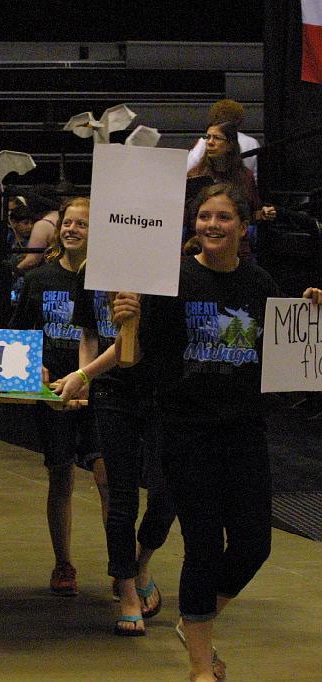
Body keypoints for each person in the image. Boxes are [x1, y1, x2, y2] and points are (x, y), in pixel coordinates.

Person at [112, 183, 322, 681]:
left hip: (244, 429)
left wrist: (311, 311)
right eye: (204, 216)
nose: (212, 225)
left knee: (254, 544)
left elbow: (286, 351)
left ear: (243, 226)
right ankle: (201, 667)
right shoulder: (172, 283)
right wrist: (129, 322)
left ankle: (195, 619)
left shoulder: (260, 284)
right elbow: (141, 359)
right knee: (203, 544)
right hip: (184, 431)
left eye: (223, 217)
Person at [56, 272, 175, 636]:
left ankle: (141, 563)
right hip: (114, 396)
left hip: (163, 391)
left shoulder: (165, 271)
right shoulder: (88, 273)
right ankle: (126, 592)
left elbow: (134, 349)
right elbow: (91, 334)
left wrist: (83, 374)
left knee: (167, 492)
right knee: (120, 497)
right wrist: (86, 380)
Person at [10, 197, 109, 596]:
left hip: (98, 392)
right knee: (61, 478)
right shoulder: (40, 280)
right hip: (53, 396)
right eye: (67, 223)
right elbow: (19, 335)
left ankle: (120, 565)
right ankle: (63, 562)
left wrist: (90, 377)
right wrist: (35, 365)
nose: (71, 230)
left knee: (107, 477)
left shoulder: (107, 281)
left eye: (82, 225)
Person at [186, 99, 261, 179]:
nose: (210, 142)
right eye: (208, 137)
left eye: (217, 138)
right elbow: (256, 177)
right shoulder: (252, 143)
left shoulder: (203, 143)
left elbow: (186, 168)